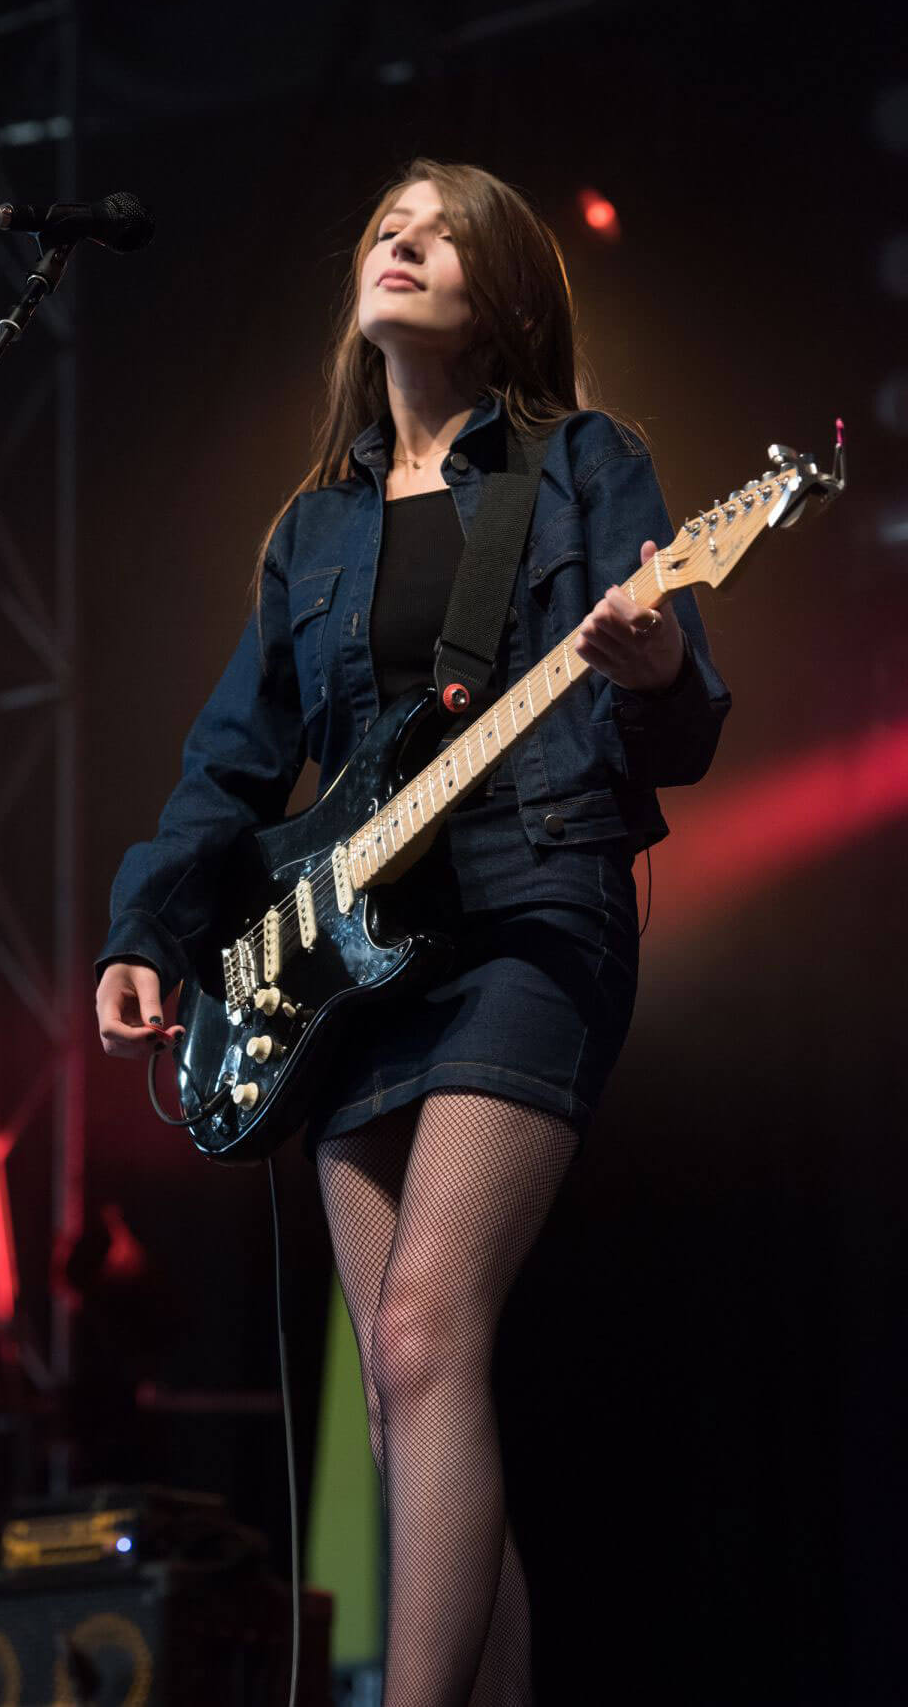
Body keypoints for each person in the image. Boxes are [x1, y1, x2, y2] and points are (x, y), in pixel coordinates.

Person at [95, 158, 730, 1707]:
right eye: (387, 220)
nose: (403, 237)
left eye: (443, 230)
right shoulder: (310, 531)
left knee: (434, 1323)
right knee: (399, 1391)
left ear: (502, 290)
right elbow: (234, 759)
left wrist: (646, 668)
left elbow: (687, 720)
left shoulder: (588, 465)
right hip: (345, 966)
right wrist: (151, 932)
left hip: (530, 909)